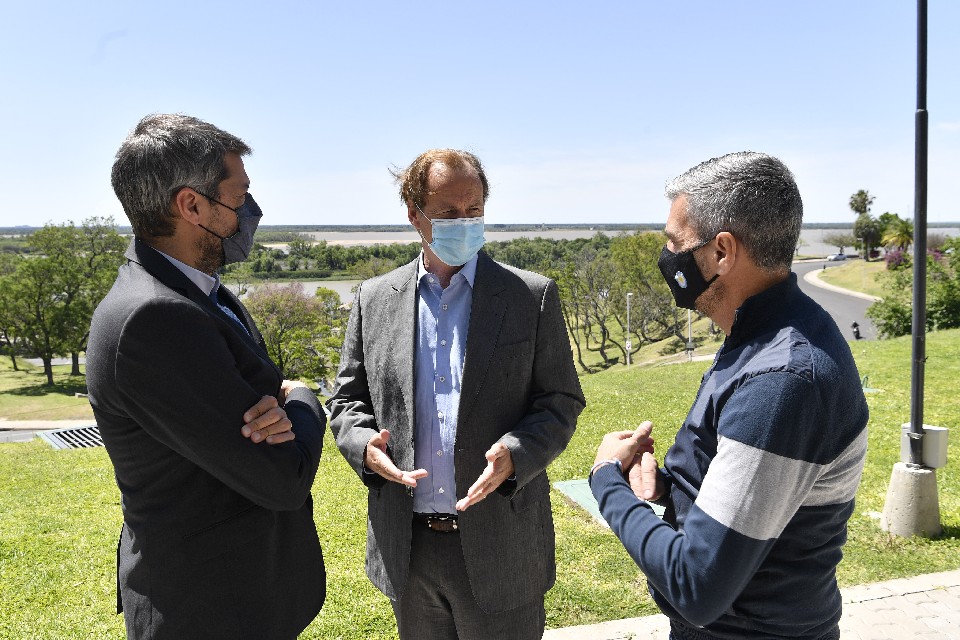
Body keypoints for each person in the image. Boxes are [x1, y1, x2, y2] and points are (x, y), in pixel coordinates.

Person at [591, 152, 869, 640]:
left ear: (721, 251)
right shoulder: (761, 335)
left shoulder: (781, 378)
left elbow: (696, 585)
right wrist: (666, 488)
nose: (668, 258)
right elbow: (747, 487)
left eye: (676, 244)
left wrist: (606, 481)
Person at [327, 148, 585, 640]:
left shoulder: (531, 296)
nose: (463, 223)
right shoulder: (374, 298)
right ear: (414, 215)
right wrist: (364, 449)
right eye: (447, 213)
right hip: (409, 548)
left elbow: (560, 401)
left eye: (474, 211)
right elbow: (346, 400)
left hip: (501, 546)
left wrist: (516, 454)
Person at [86, 114, 326, 639]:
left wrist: (279, 404)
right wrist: (304, 398)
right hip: (211, 608)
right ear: (190, 205)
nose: (249, 212)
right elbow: (281, 476)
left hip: (236, 599)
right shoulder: (156, 318)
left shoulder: (191, 290)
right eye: (239, 197)